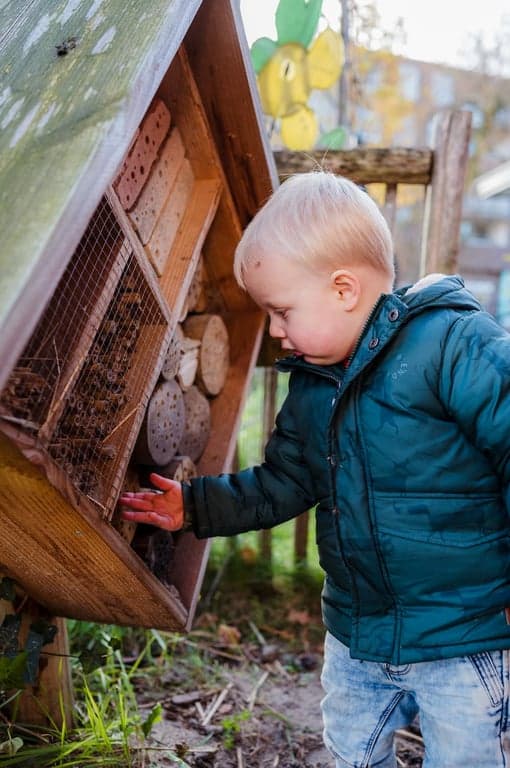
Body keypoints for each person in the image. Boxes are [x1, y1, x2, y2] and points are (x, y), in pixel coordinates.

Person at [120, 171, 510, 767]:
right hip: (357, 634)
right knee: (350, 753)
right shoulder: (311, 387)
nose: (275, 332)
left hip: (464, 634)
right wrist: (194, 507)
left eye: (282, 312)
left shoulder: (452, 345)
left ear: (344, 289)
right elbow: (283, 482)